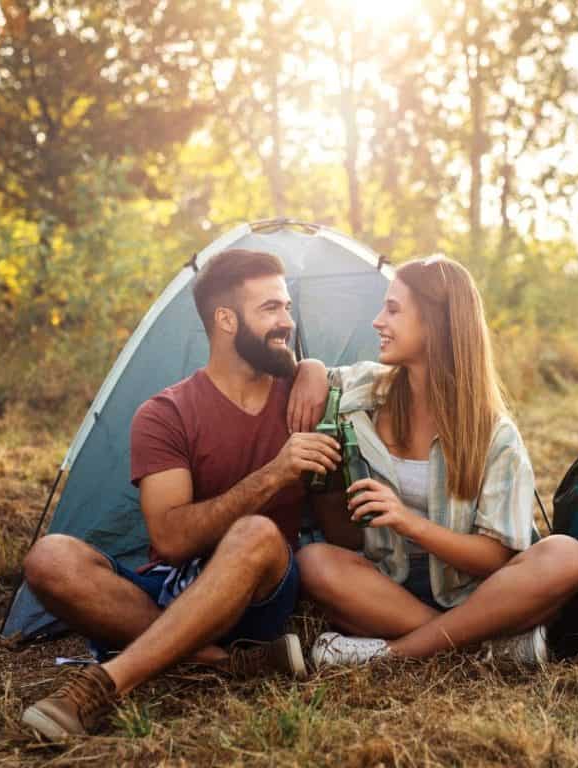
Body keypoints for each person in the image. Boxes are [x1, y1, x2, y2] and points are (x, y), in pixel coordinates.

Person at [20, 249, 341, 740]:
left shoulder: (305, 395)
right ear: (226, 320)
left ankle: (108, 682)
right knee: (48, 557)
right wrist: (273, 475)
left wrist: (317, 374)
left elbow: (341, 532)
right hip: (175, 584)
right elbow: (169, 540)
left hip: (260, 592)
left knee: (256, 533)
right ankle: (224, 664)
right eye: (270, 309)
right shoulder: (165, 413)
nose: (286, 322)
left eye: (287, 308)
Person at [290, 255, 578, 668]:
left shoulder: (494, 435)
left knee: (566, 555)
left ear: (435, 322)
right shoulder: (366, 388)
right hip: (388, 583)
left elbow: (496, 557)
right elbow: (323, 377)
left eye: (393, 309)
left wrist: (407, 521)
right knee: (313, 562)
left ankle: (393, 653)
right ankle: (479, 644)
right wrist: (310, 367)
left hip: (475, 588)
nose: (378, 321)